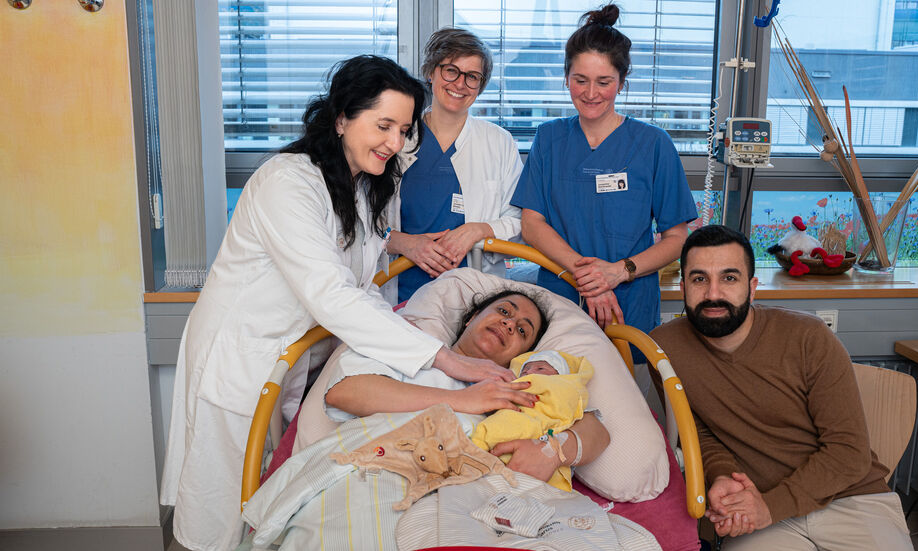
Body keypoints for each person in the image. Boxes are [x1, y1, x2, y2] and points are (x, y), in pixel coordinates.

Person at [160, 56, 517, 551]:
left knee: (263, 495)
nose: (394, 142)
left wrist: (416, 344)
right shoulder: (288, 182)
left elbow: (364, 285)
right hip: (240, 354)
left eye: (403, 129)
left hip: (291, 356)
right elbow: (331, 293)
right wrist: (444, 358)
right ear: (343, 117)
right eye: (383, 125)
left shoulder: (364, 189)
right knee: (216, 506)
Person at [649, 225, 913, 550]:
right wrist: (723, 479)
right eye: (699, 278)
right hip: (754, 500)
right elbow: (700, 434)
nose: (713, 293)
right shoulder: (662, 350)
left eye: (729, 278)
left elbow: (849, 452)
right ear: (683, 285)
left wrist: (771, 508)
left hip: (850, 497)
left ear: (753, 287)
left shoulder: (809, 337)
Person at [511, 3, 697, 338]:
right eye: (580, 80)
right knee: (557, 382)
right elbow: (532, 224)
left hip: (629, 303)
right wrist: (590, 278)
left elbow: (675, 239)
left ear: (622, 82)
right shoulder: (549, 138)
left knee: (627, 385)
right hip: (560, 296)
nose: (591, 93)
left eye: (604, 81)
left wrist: (618, 273)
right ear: (566, 77)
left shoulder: (654, 145)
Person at [324, 290, 611, 486]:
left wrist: (554, 451)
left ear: (522, 356)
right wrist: (462, 399)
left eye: (523, 330)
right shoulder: (409, 341)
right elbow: (346, 391)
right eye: (503, 311)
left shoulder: (515, 387)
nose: (509, 324)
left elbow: (595, 431)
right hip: (378, 473)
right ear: (472, 317)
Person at [386, 28, 523, 303]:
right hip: (396, 293)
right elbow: (360, 224)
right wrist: (404, 243)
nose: (460, 84)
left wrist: (478, 229)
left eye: (472, 77)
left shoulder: (498, 142)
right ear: (431, 72)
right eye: (451, 70)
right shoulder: (394, 138)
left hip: (474, 297)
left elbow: (520, 222)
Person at [471, 349, 593, 491]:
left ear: (560, 377)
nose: (529, 373)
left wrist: (551, 451)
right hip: (494, 463)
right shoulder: (496, 389)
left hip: (542, 459)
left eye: (540, 368)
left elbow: (597, 431)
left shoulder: (566, 391)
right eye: (525, 371)